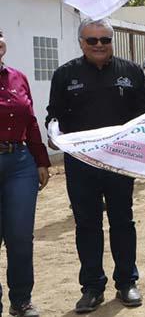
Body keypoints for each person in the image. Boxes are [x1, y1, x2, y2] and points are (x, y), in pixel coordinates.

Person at [46, 18, 145, 313]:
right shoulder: (65, 75)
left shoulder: (131, 72)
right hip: (81, 165)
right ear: (81, 43)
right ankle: (92, 287)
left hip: (119, 163)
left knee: (123, 223)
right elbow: (54, 115)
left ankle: (127, 282)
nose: (100, 45)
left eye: (105, 40)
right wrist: (54, 135)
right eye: (93, 41)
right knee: (87, 225)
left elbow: (144, 114)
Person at [0, 28, 50, 317]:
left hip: (20, 163)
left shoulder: (19, 78)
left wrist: (41, 160)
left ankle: (21, 300)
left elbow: (31, 120)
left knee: (20, 236)